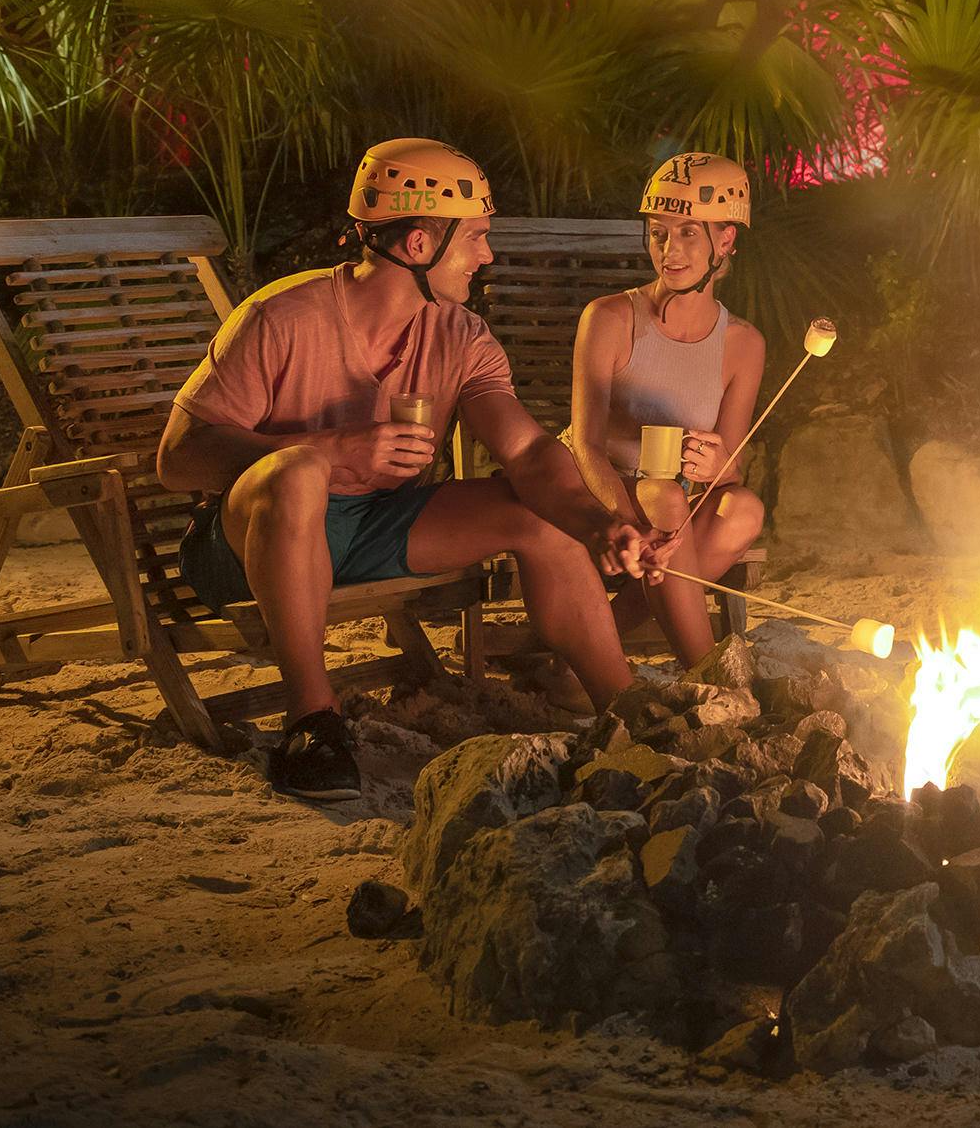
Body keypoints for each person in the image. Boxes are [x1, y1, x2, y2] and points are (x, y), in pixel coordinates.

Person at [157, 139, 656, 801]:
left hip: (370, 528)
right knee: (302, 470)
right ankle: (313, 723)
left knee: (535, 514)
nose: (488, 254)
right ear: (419, 243)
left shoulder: (461, 335)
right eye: (475, 237)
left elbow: (531, 455)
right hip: (246, 543)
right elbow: (177, 458)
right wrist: (333, 450)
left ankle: (625, 711)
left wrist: (601, 524)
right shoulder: (282, 318)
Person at [568, 151, 768, 666]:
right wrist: (624, 519)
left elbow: (732, 466)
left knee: (743, 508)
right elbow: (584, 442)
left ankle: (588, 650)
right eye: (659, 233)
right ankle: (708, 672)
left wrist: (718, 464)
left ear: (725, 240)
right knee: (667, 500)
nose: (669, 251)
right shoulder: (609, 318)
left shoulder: (743, 343)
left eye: (687, 234)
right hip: (599, 491)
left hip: (672, 507)